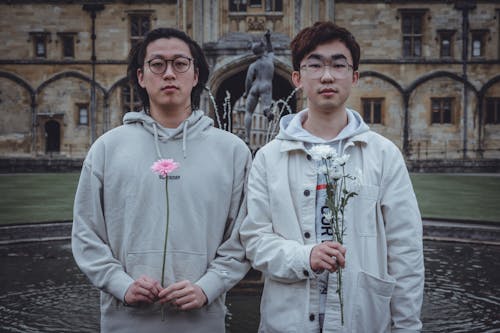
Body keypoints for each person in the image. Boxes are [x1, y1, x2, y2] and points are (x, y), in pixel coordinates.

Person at [240, 21, 424, 332]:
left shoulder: (383, 154)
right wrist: (304, 257)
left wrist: (407, 326)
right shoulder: (268, 158)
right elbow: (256, 241)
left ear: (354, 77)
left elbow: (405, 250)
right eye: (315, 65)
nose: (327, 75)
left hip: (361, 321)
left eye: (338, 65)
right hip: (287, 323)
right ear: (297, 77)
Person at [72, 27, 252, 332]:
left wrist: (207, 286)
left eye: (180, 64)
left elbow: (242, 237)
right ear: (141, 77)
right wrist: (121, 284)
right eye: (158, 64)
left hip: (202, 322)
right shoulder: (107, 148)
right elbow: (86, 234)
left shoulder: (232, 151)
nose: (169, 73)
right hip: (125, 322)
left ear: (196, 75)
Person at [243, 29, 275, 143]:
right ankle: (267, 111)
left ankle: (247, 137)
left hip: (254, 86)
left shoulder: (253, 65)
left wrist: (247, 92)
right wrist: (268, 38)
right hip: (266, 85)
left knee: (248, 112)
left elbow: (248, 80)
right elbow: (271, 49)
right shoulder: (270, 60)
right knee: (266, 107)